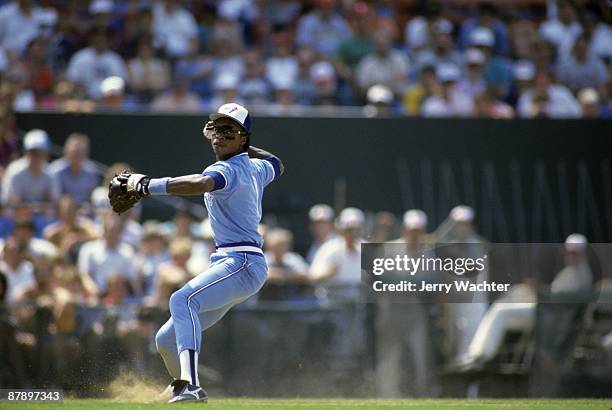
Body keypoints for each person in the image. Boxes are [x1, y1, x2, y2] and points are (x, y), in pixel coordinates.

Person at [110, 102, 284, 402]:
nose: (220, 136)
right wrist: (246, 144)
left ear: (244, 137)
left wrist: (148, 186)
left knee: (182, 298)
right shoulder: (256, 167)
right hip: (241, 264)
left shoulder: (227, 169)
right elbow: (278, 163)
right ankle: (180, 386)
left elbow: (202, 183)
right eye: (216, 129)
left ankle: (190, 385)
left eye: (229, 131)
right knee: (165, 338)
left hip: (241, 261)